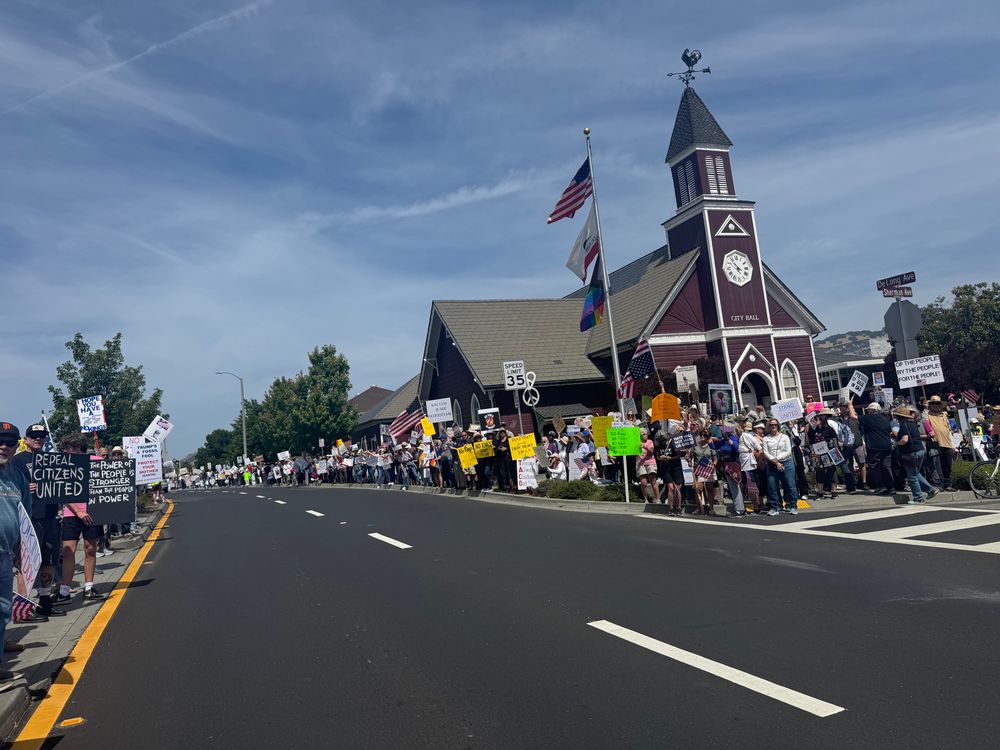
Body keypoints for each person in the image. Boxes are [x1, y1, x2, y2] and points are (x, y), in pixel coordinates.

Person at [10, 424, 67, 619]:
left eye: (41, 436)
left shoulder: (52, 459)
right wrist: (26, 487)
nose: (38, 439)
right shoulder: (17, 461)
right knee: (26, 562)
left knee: (49, 561)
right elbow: (10, 486)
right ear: (25, 439)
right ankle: (23, 609)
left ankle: (45, 602)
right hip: (30, 518)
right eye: (33, 436)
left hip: (50, 517)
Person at [0, 421, 32, 688]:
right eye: (0, 441)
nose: (4, 446)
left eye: (10, 443)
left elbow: (25, 516)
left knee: (2, 609)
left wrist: (24, 548)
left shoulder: (17, 476)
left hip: (5, 554)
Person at [55, 434, 105, 604]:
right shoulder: (63, 465)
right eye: (66, 450)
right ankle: (64, 591)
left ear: (79, 449)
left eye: (70, 449)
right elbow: (63, 489)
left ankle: (89, 587)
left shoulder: (97, 461)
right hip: (71, 513)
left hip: (93, 510)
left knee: (90, 549)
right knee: (68, 551)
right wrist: (78, 512)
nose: (68, 453)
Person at [893, 406, 938, 504]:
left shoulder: (903, 425)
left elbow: (905, 439)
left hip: (911, 452)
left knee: (912, 476)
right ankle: (930, 490)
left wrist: (896, 443)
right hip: (920, 449)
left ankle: (918, 498)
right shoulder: (912, 424)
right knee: (916, 473)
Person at [852, 400, 895, 495]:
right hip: (887, 446)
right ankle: (891, 487)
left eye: (868, 410)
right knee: (886, 467)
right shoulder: (885, 419)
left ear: (872, 410)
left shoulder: (870, 418)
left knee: (875, 467)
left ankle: (880, 486)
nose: (867, 412)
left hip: (875, 446)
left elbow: (853, 416)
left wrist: (850, 404)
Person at [762, 417, 798, 515]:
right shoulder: (766, 438)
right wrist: (775, 462)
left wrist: (777, 459)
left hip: (786, 462)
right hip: (772, 463)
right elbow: (765, 452)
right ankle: (775, 507)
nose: (773, 426)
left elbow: (788, 451)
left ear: (778, 426)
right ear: (768, 426)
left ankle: (792, 505)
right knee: (772, 486)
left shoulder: (784, 437)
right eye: (771, 425)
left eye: (775, 424)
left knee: (790, 485)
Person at [924, 395, 957, 491]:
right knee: (937, 467)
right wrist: (926, 408)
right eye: (933, 403)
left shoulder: (944, 415)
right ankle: (940, 485)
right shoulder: (927, 415)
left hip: (947, 443)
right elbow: (924, 419)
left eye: (937, 403)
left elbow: (950, 430)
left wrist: (954, 446)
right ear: (930, 405)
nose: (935, 405)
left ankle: (948, 485)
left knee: (947, 466)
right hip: (935, 444)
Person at [636, 428, 657, 503]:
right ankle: (646, 499)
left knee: (653, 481)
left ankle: (657, 498)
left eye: (646, 434)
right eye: (644, 434)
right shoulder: (636, 442)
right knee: (643, 482)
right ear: (640, 435)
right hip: (640, 463)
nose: (646, 435)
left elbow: (651, 451)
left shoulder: (650, 441)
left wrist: (644, 446)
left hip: (650, 462)